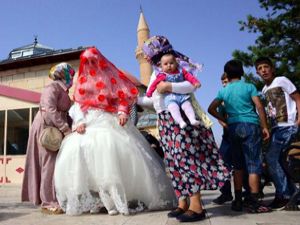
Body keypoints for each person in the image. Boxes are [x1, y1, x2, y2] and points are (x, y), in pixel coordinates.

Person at [54, 47, 176, 216]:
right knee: (80, 156)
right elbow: (78, 105)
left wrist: (122, 111)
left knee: (110, 154)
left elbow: (122, 97)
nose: (90, 64)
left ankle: (115, 199)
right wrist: (80, 121)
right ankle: (97, 199)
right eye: (87, 62)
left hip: (108, 120)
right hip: (89, 123)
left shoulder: (110, 78)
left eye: (93, 61)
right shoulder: (82, 81)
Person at [139, 35, 229, 223]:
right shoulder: (157, 70)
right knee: (173, 161)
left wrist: (169, 85)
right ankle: (183, 201)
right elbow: (156, 100)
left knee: (186, 158)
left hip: (180, 117)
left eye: (148, 52)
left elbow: (190, 85)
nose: (146, 57)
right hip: (164, 120)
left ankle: (197, 205)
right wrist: (135, 99)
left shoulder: (173, 63)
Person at [208, 59, 271, 213]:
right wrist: (264, 126)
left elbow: (211, 108)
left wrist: (226, 120)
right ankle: (253, 200)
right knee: (253, 164)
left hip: (234, 128)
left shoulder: (224, 90)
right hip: (251, 125)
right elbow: (259, 106)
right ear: (242, 73)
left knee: (237, 166)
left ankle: (237, 201)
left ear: (227, 75)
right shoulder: (249, 87)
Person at [21, 63, 75, 214]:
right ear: (64, 74)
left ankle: (54, 198)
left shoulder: (63, 90)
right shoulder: (52, 88)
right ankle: (48, 202)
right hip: (47, 128)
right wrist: (65, 128)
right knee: (49, 165)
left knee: (53, 165)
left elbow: (65, 112)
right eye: (71, 74)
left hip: (56, 127)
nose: (72, 77)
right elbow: (49, 109)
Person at [255, 56, 300, 210]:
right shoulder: (264, 90)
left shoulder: (281, 80)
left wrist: (299, 120)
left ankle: (284, 195)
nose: (263, 70)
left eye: (266, 67)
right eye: (260, 69)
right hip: (276, 128)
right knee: (278, 160)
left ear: (272, 69)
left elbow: (297, 98)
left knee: (272, 158)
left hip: (287, 126)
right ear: (257, 73)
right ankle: (293, 193)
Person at [146, 53, 201, 128]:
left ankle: (192, 119)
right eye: (166, 64)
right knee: (173, 108)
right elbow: (154, 85)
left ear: (176, 63)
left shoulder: (181, 71)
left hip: (182, 96)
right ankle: (180, 121)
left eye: (171, 63)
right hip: (170, 97)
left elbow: (190, 77)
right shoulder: (161, 75)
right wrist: (149, 93)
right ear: (161, 66)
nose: (169, 65)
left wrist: (195, 82)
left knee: (187, 105)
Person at [212, 73, 233, 204]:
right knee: (222, 164)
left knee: (243, 164)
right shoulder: (221, 98)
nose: (225, 85)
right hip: (227, 136)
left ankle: (250, 191)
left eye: (227, 82)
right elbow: (218, 116)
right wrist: (225, 123)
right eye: (223, 82)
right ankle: (226, 193)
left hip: (240, 134)